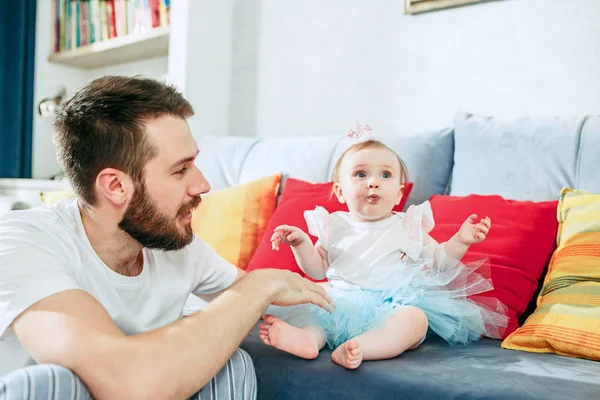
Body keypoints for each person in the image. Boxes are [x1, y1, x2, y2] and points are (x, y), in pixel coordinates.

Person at [0, 76, 331, 400]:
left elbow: (270, 304)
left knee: (232, 366)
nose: (202, 184)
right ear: (115, 187)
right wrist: (258, 285)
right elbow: (124, 383)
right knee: (54, 380)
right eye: (180, 169)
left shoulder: (176, 247)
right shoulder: (22, 243)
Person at [260, 125, 508, 370]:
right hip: (338, 304)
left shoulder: (407, 225)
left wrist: (460, 241)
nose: (373, 183)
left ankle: (362, 347)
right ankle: (308, 340)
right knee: (315, 318)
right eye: (360, 174)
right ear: (340, 191)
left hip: (391, 307)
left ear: (400, 194)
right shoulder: (332, 224)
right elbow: (317, 270)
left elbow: (439, 262)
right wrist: (300, 243)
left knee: (415, 320)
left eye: (385, 175)